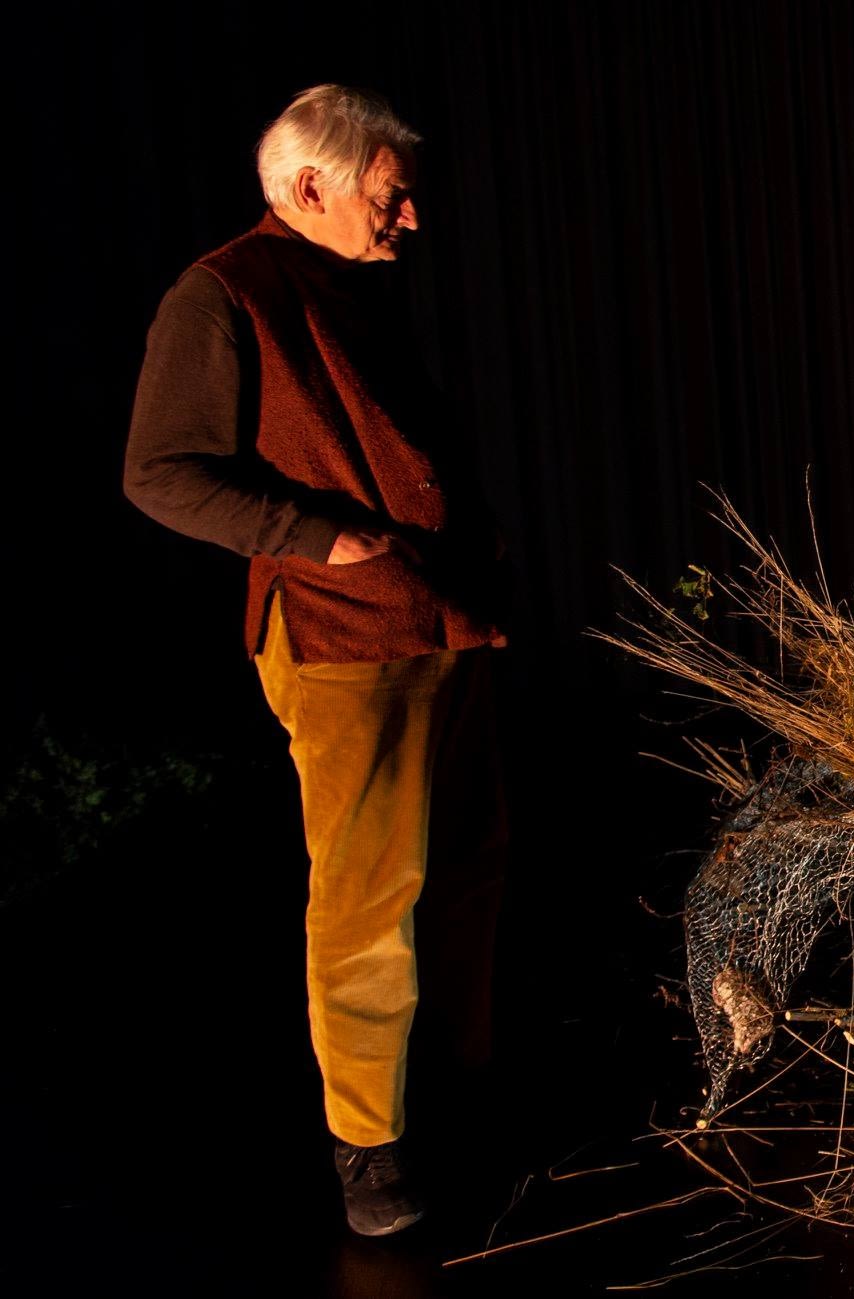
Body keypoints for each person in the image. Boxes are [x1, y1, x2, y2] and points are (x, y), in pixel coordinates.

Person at [123, 85, 509, 1235]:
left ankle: (459, 1086)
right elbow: (158, 474)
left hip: (439, 618)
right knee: (367, 895)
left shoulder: (348, 281)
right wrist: (312, 536)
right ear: (308, 187)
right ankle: (368, 1147)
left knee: (468, 861)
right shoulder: (219, 293)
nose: (411, 218)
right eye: (392, 196)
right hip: (342, 636)